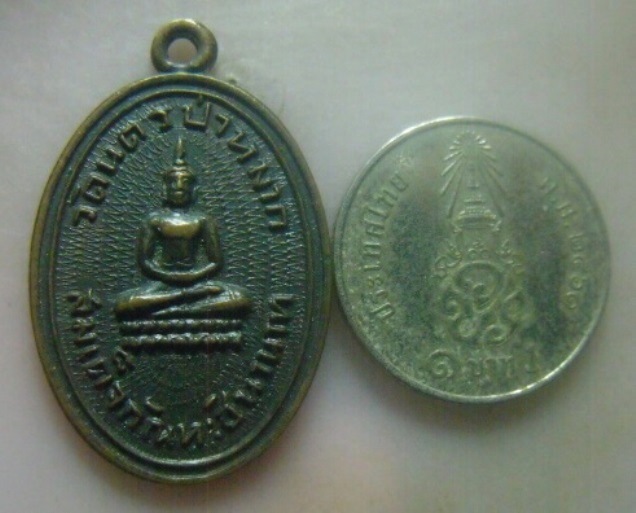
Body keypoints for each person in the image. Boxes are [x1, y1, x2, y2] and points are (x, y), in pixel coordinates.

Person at [114, 138, 251, 319]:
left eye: (185, 183)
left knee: (241, 299)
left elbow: (216, 262)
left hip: (197, 282)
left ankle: (175, 309)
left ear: (194, 190)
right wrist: (168, 277)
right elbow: (145, 261)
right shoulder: (154, 220)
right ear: (165, 189)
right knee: (123, 304)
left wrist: (193, 276)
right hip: (163, 284)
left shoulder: (203, 220)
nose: (179, 187)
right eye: (174, 183)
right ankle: (184, 300)